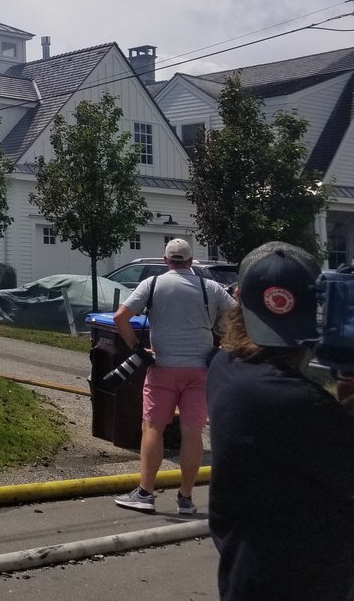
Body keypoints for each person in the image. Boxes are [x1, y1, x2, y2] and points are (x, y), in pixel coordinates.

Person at [207, 241, 354, 601]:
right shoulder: (291, 401)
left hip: (253, 574)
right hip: (296, 582)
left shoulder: (226, 368)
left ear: (238, 298)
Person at [112, 237, 235, 516]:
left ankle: (145, 493)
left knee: (153, 428)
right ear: (191, 262)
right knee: (192, 432)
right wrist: (225, 343)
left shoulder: (152, 284)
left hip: (162, 367)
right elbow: (237, 316)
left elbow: (120, 317)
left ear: (165, 260)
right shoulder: (210, 287)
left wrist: (137, 348)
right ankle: (186, 499)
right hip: (200, 370)